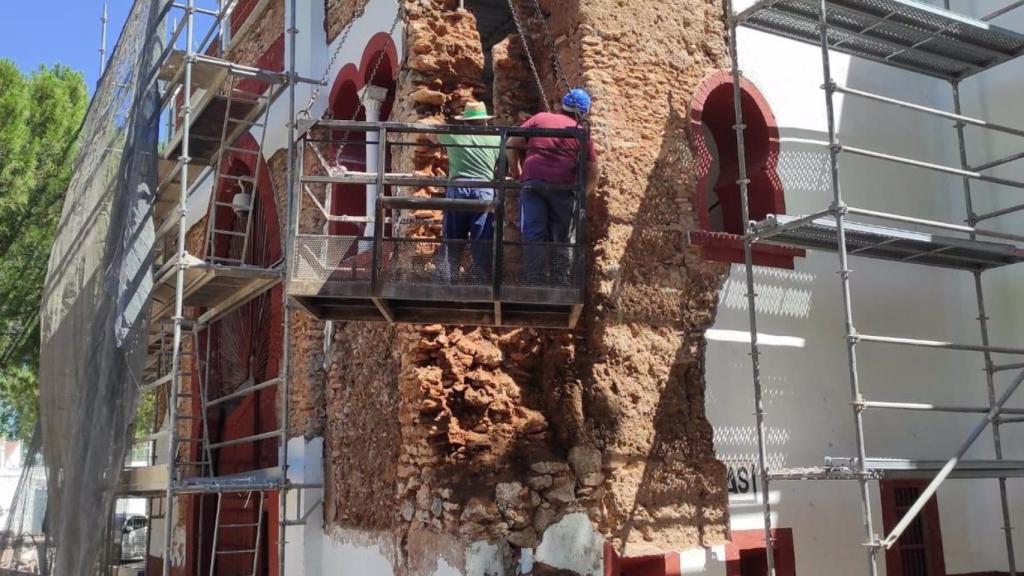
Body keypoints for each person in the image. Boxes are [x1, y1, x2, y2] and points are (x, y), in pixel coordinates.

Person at [506, 89, 599, 285]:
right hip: (563, 189)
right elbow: (592, 172)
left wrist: (516, 171)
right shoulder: (582, 133)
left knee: (533, 232)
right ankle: (561, 281)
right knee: (563, 236)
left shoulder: (540, 118)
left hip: (533, 184)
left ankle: (535, 280)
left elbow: (511, 143)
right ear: (583, 113)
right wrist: (582, 195)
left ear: (561, 106)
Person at [436, 101, 502, 282]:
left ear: (466, 122)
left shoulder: (453, 136)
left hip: (458, 188)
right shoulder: (496, 139)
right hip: (485, 190)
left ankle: (447, 279)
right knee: (482, 238)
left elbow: (432, 133)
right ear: (485, 122)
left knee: (453, 235)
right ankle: (482, 280)